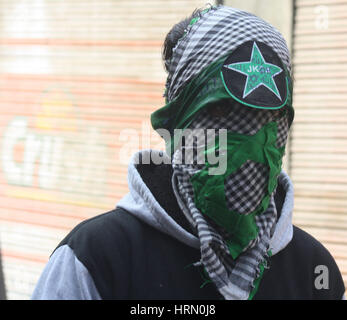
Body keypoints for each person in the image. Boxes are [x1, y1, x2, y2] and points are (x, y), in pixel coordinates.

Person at [31, 5, 345, 300]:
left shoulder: (314, 271)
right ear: (177, 124)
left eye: (270, 121)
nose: (250, 146)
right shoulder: (96, 259)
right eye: (223, 114)